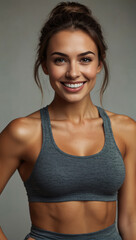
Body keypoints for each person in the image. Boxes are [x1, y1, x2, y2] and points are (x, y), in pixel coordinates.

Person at [0, 1, 136, 240]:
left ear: (99, 64)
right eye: (60, 60)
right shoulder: (22, 132)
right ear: (45, 65)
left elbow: (130, 219)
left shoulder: (126, 130)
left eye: (85, 59)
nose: (73, 72)